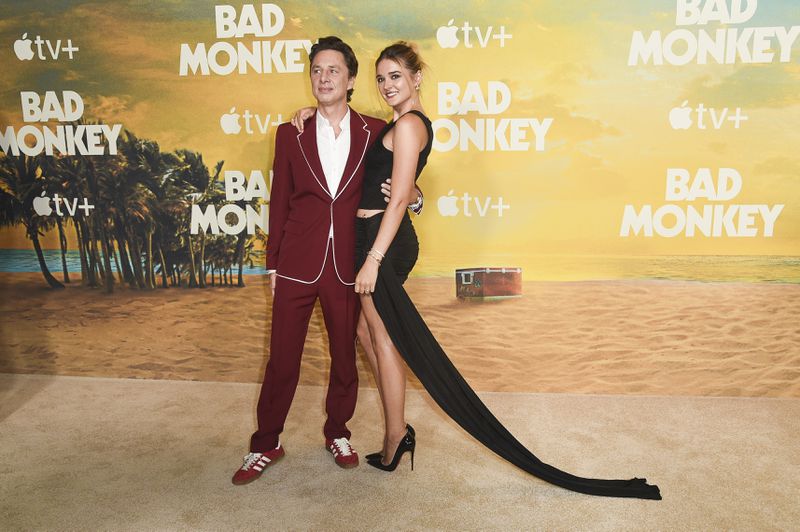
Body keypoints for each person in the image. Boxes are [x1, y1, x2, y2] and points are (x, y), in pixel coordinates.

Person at [297, 41, 661, 500]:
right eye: (381, 79)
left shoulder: (409, 125)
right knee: (368, 336)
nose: (388, 86)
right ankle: (397, 430)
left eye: (396, 77)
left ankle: (395, 438)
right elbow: (400, 187)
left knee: (382, 339)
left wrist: (373, 259)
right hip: (370, 240)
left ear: (416, 78)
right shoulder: (398, 124)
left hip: (378, 245)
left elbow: (394, 200)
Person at [231, 36, 422, 486]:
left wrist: (415, 197)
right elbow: (279, 202)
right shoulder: (289, 132)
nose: (324, 77)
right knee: (282, 359)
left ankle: (338, 432)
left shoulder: (376, 132)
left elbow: (404, 177)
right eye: (317, 70)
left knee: (344, 356)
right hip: (296, 262)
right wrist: (274, 263)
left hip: (347, 263)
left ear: (351, 80)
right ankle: (265, 443)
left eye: (334, 69)